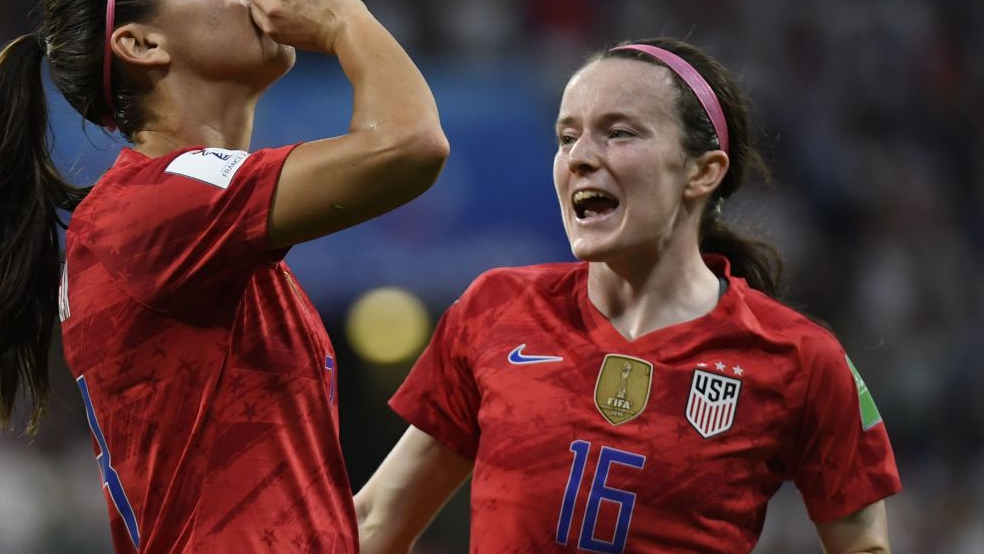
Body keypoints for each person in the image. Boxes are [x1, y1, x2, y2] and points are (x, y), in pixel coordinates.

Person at [0, 0, 449, 553]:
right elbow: (408, 145)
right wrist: (345, 19)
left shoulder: (196, 222)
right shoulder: (153, 207)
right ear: (141, 43)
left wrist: (455, 416)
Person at [355, 39, 901, 553]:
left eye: (619, 133)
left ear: (701, 172)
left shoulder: (799, 359)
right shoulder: (495, 309)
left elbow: (864, 546)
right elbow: (377, 521)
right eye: (567, 137)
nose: (580, 158)